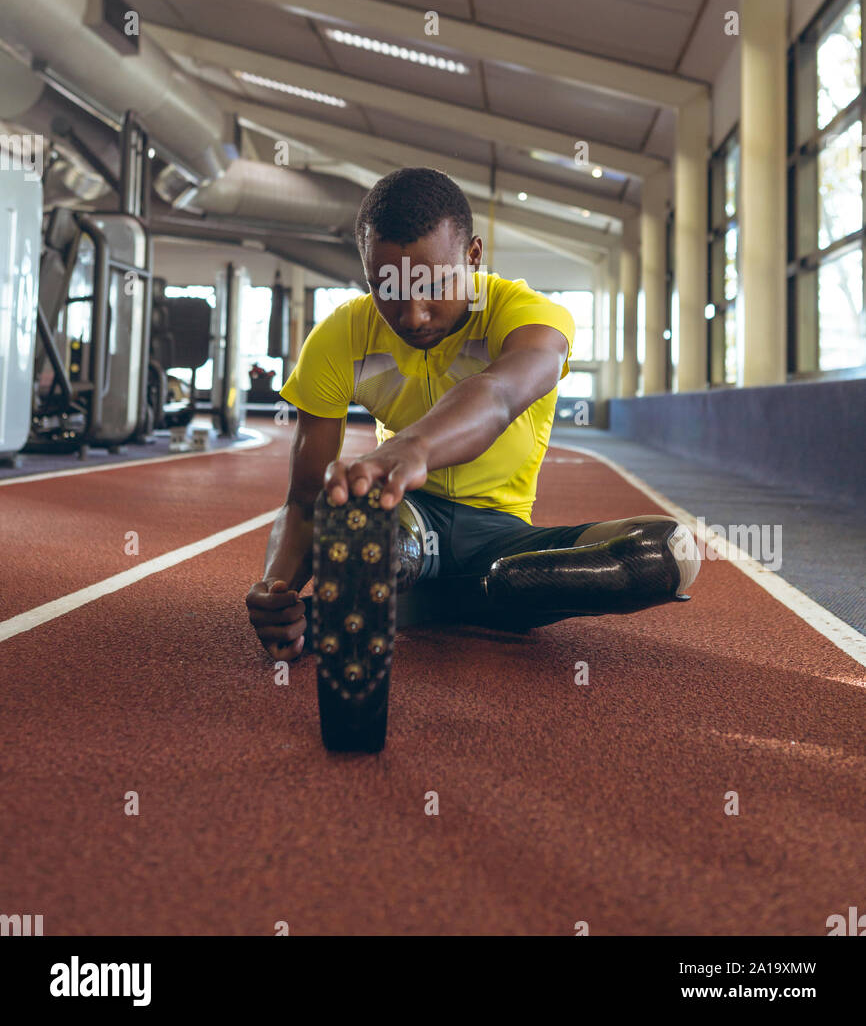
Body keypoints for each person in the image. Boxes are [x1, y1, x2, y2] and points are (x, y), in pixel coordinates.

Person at [246, 167, 700, 749]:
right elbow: (305, 499)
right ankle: (471, 595)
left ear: (475, 255)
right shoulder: (338, 338)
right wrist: (277, 590)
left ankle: (447, 599)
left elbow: (499, 393)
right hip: (411, 516)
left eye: (433, 286)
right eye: (387, 289)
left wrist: (412, 446)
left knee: (667, 555)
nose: (412, 315)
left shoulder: (528, 314)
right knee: (362, 526)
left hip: (504, 536)